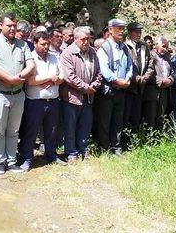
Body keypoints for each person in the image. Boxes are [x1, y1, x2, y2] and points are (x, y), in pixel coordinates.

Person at [0, 12, 34, 174]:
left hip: (18, 94)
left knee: (13, 131)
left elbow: (31, 65)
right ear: (1, 25)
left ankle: (12, 161)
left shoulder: (23, 44)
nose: (12, 28)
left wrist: (19, 77)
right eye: (9, 25)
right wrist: (9, 79)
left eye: (14, 25)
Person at [19, 31, 66, 171]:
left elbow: (62, 75)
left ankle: (51, 155)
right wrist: (51, 77)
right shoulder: (30, 59)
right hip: (35, 102)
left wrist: (57, 79)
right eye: (42, 44)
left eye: (47, 44)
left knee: (51, 130)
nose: (46, 47)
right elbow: (31, 81)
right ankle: (26, 158)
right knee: (30, 131)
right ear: (35, 43)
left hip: (52, 100)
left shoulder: (54, 57)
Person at [60, 26, 101, 161]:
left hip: (88, 97)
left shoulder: (93, 52)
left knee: (85, 125)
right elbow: (69, 77)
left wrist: (93, 86)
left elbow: (99, 73)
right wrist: (86, 87)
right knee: (70, 127)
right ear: (76, 39)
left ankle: (82, 150)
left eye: (88, 39)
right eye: (83, 39)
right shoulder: (67, 53)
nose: (86, 42)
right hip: (72, 97)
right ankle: (71, 153)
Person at [95, 19, 133, 155]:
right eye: (118, 28)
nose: (121, 31)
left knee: (118, 120)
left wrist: (127, 79)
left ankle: (117, 147)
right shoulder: (104, 48)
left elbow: (129, 66)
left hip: (122, 90)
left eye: (123, 28)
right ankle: (105, 147)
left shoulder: (124, 48)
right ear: (110, 30)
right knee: (105, 120)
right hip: (108, 90)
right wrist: (117, 81)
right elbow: (104, 70)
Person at [124, 22, 154, 131]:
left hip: (141, 87)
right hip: (129, 87)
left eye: (140, 32)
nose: (139, 34)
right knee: (126, 114)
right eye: (136, 32)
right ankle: (125, 138)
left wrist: (145, 77)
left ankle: (135, 137)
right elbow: (126, 66)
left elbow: (151, 63)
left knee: (137, 114)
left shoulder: (144, 46)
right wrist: (136, 78)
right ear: (130, 33)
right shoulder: (125, 46)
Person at [143, 36, 174, 128]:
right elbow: (147, 72)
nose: (165, 49)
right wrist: (161, 81)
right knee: (150, 118)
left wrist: (170, 80)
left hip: (164, 92)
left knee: (161, 117)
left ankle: (159, 139)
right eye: (163, 46)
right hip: (152, 92)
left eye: (166, 47)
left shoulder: (167, 58)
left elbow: (173, 72)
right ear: (156, 45)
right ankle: (148, 139)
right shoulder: (149, 55)